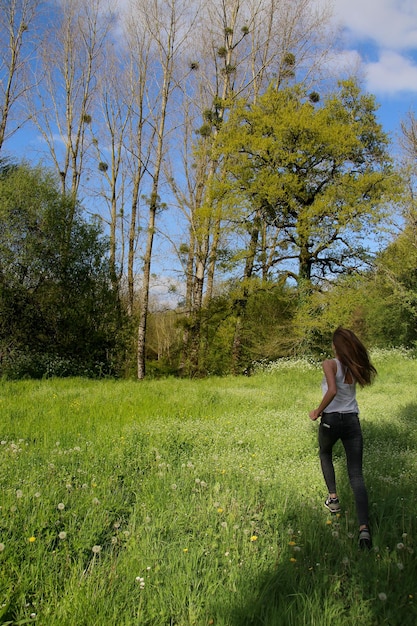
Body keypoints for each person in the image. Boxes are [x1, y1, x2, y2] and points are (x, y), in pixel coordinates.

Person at [309, 327, 377, 550]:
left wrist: (317, 411)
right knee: (356, 474)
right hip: (351, 421)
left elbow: (332, 390)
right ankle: (364, 530)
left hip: (331, 420)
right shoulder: (354, 366)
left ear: (335, 346)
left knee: (325, 453)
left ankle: (334, 499)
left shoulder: (329, 363)